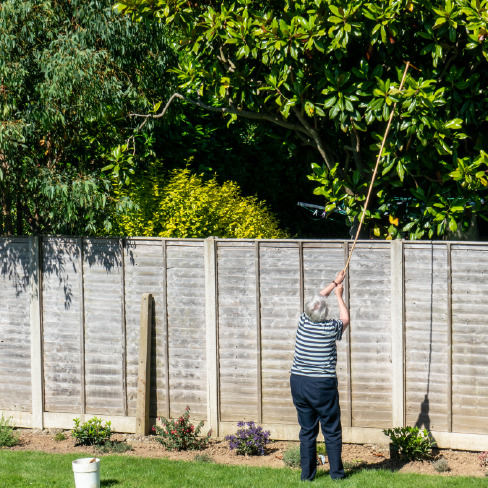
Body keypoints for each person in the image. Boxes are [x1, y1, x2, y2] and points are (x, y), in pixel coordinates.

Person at [290, 270, 350, 481]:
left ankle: (307, 477)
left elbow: (317, 298)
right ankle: (336, 475)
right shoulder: (330, 328)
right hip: (322, 385)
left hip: (298, 382)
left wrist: (334, 283)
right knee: (331, 430)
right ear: (324, 313)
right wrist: (339, 295)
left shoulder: (303, 322)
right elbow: (345, 318)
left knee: (307, 431)